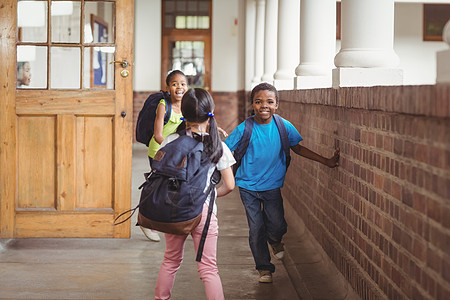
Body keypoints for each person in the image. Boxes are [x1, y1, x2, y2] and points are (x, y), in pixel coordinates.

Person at [224, 82, 340, 283]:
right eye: (259, 102)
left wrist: (326, 161)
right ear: (252, 104)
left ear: (277, 104)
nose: (264, 106)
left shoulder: (283, 126)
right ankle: (264, 268)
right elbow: (223, 151)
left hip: (272, 186)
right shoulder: (245, 128)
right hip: (247, 187)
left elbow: (299, 149)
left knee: (276, 224)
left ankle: (276, 240)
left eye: (269, 101)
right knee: (256, 228)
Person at [154, 88, 235, 300]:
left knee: (170, 261)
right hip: (204, 211)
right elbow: (230, 185)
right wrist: (210, 196)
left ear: (184, 113)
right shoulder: (218, 146)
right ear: (211, 112)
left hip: (174, 208)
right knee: (208, 268)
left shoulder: (171, 140)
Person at [140, 70, 189, 242]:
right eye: (175, 83)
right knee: (156, 187)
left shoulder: (187, 105)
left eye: (183, 83)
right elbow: (158, 134)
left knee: (171, 188)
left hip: (173, 151)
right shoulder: (163, 105)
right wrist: (170, 150)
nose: (179, 87)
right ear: (168, 87)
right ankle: (146, 222)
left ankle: (170, 222)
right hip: (159, 152)